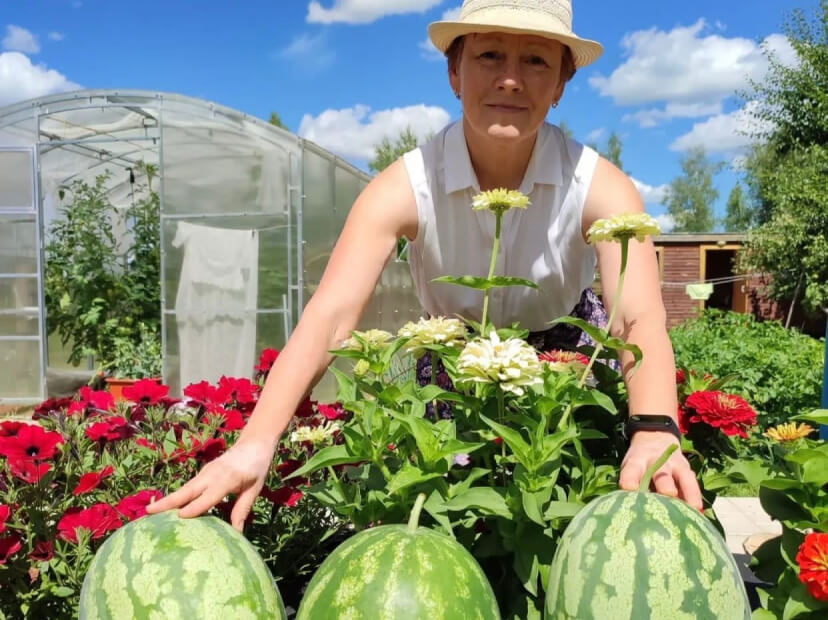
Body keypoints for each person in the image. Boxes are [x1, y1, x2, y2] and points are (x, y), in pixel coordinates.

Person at [148, 0, 703, 531]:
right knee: (444, 528)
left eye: (535, 59)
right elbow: (333, 312)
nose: (511, 78)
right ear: (454, 72)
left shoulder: (601, 185)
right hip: (452, 373)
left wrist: (654, 429)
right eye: (489, 56)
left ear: (559, 85)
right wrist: (257, 441)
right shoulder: (405, 185)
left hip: (565, 376)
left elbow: (636, 317)